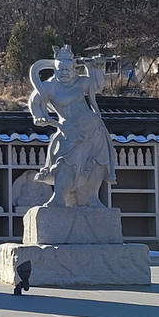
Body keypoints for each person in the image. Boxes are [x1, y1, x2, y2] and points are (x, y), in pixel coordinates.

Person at [27, 45, 117, 207]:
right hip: (69, 130)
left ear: (74, 68)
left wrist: (97, 67)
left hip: (94, 128)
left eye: (68, 69)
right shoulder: (49, 87)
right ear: (54, 68)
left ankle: (92, 198)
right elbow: (35, 101)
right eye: (61, 69)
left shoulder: (80, 82)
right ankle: (59, 197)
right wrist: (39, 116)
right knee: (64, 162)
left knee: (97, 162)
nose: (65, 73)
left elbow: (97, 86)